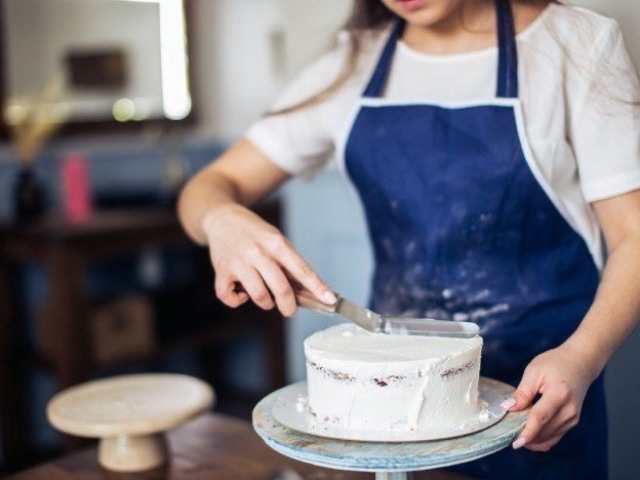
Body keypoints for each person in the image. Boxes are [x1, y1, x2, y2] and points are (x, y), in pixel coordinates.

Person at [178, 0, 640, 478]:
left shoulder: (577, 44)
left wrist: (582, 357)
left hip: (540, 394)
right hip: (388, 408)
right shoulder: (353, 62)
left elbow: (634, 235)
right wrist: (222, 220)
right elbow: (206, 188)